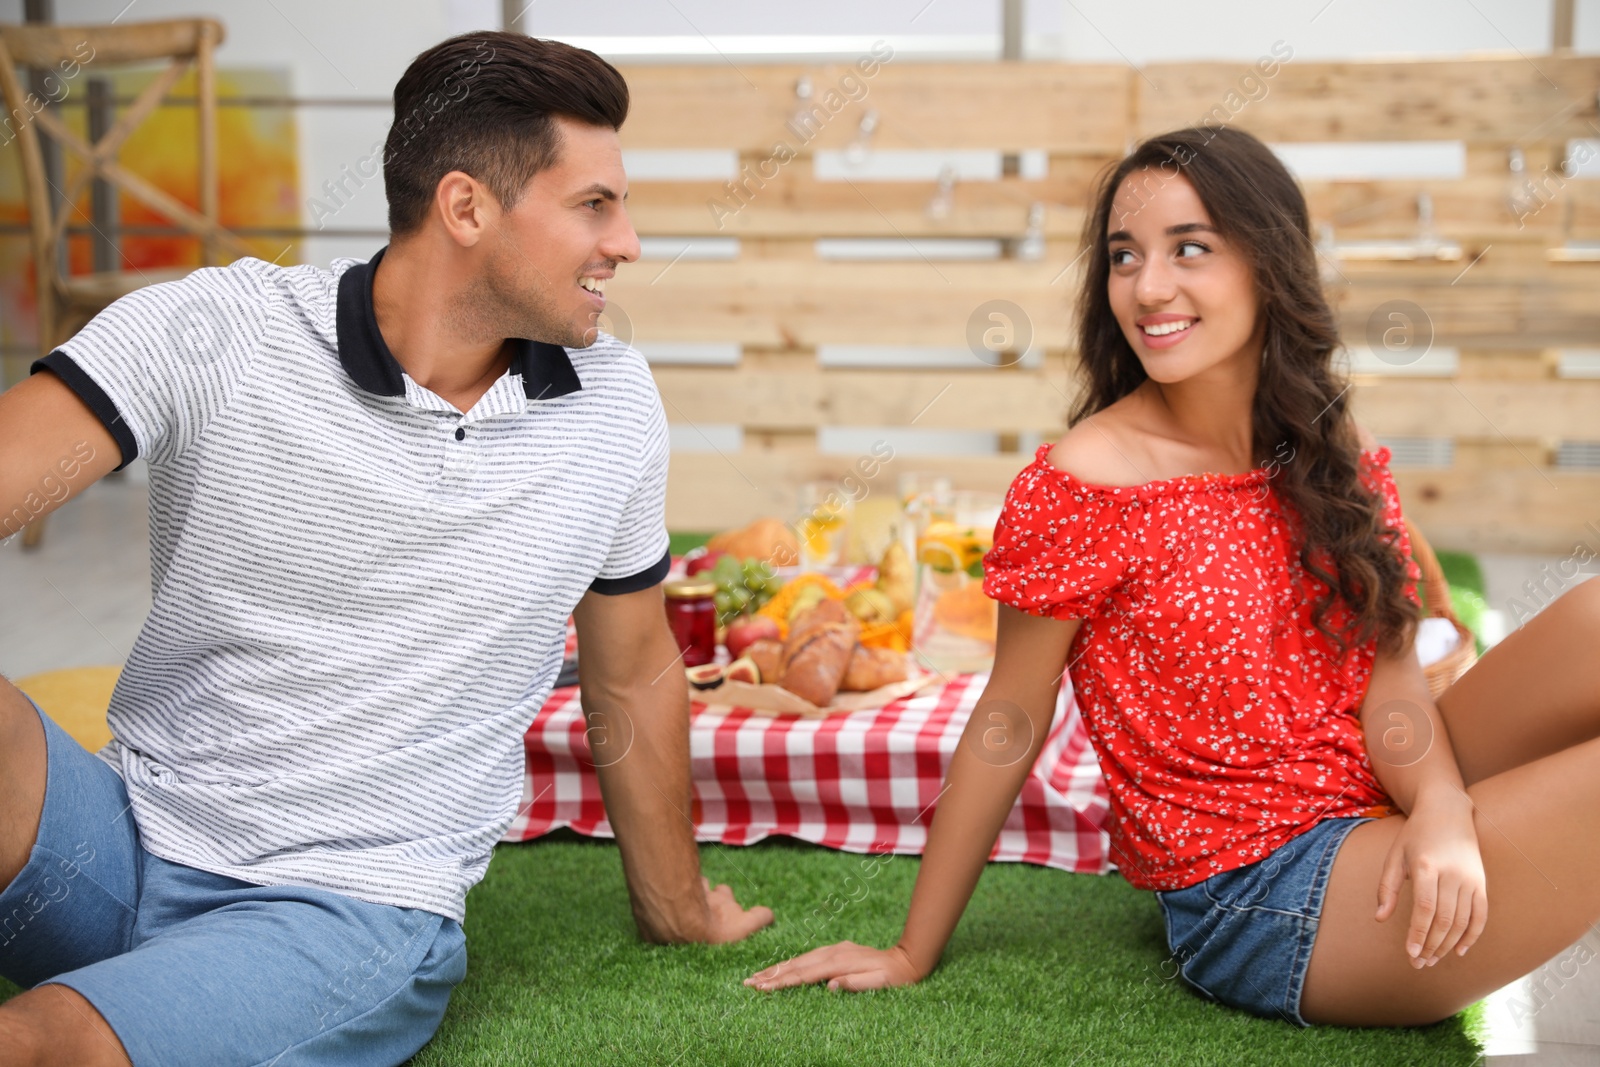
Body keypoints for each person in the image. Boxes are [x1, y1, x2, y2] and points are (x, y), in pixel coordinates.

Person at [0, 31, 771, 1067]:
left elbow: (631, 674)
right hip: (124, 841)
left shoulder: (614, 408)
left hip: (351, 905)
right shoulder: (219, 330)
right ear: (465, 208)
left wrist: (677, 905)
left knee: (38, 1041)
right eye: (595, 204)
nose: (626, 241)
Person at [747, 125, 1600, 1029]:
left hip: (1372, 785)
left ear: (1268, 265)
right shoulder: (1089, 479)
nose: (1148, 287)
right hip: (1265, 892)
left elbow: (1385, 673)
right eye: (1125, 256)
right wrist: (912, 946)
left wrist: (1439, 804)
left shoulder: (1320, 449)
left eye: (1189, 248)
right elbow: (1008, 719)